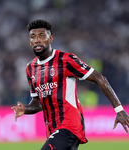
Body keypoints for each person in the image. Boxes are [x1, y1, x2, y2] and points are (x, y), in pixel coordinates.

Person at [11, 19, 129, 150]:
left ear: (50, 38)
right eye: (33, 37)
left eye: (42, 36)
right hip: (52, 128)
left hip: (70, 125)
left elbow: (100, 79)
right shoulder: (30, 68)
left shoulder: (65, 60)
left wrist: (119, 110)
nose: (37, 40)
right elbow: (38, 102)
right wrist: (25, 109)